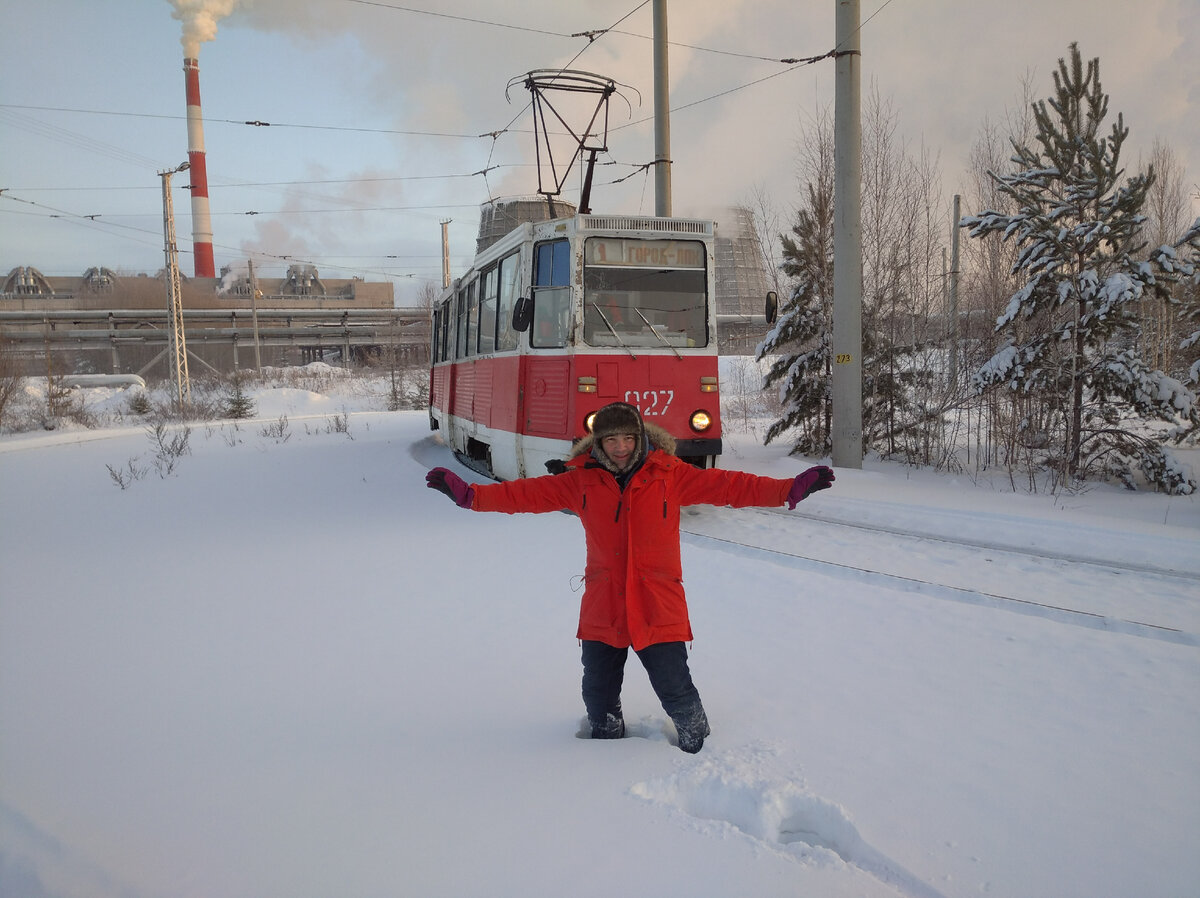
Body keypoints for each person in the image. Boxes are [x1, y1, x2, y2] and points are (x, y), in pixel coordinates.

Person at [425, 401, 835, 753]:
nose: (620, 449)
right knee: (598, 694)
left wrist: (786, 490)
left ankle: (702, 749)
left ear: (639, 439)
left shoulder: (670, 476)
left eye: (627, 439)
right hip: (604, 604)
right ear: (599, 444)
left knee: (676, 688)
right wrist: (472, 496)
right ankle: (605, 762)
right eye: (611, 441)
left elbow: (731, 486)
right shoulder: (579, 482)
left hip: (657, 602)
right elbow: (523, 495)